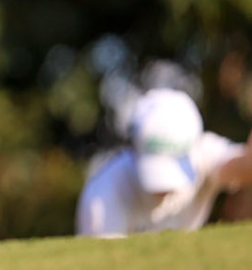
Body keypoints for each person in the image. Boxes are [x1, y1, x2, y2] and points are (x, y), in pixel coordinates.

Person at [76, 84, 252, 237]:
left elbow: (246, 167)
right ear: (134, 149)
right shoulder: (103, 195)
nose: (164, 189)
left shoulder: (204, 156)